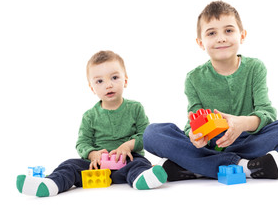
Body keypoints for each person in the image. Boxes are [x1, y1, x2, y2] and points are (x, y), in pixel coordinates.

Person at [143, 1, 278, 181]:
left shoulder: (255, 68)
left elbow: (267, 113)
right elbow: (192, 121)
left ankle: (198, 167)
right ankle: (244, 166)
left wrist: (241, 123)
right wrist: (194, 136)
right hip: (209, 145)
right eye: (212, 33)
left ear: (242, 35)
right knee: (152, 134)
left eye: (228, 30)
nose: (221, 38)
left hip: (249, 141)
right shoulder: (194, 78)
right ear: (200, 42)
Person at [16, 50, 167, 197]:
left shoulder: (135, 108)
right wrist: (92, 154)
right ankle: (51, 184)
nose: (108, 85)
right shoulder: (89, 116)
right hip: (96, 166)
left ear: (125, 80)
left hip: (127, 161)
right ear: (91, 87)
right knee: (69, 165)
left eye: (114, 77)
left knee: (140, 163)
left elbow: (145, 135)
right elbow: (82, 143)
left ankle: (142, 179)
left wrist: (127, 146)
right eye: (100, 81)